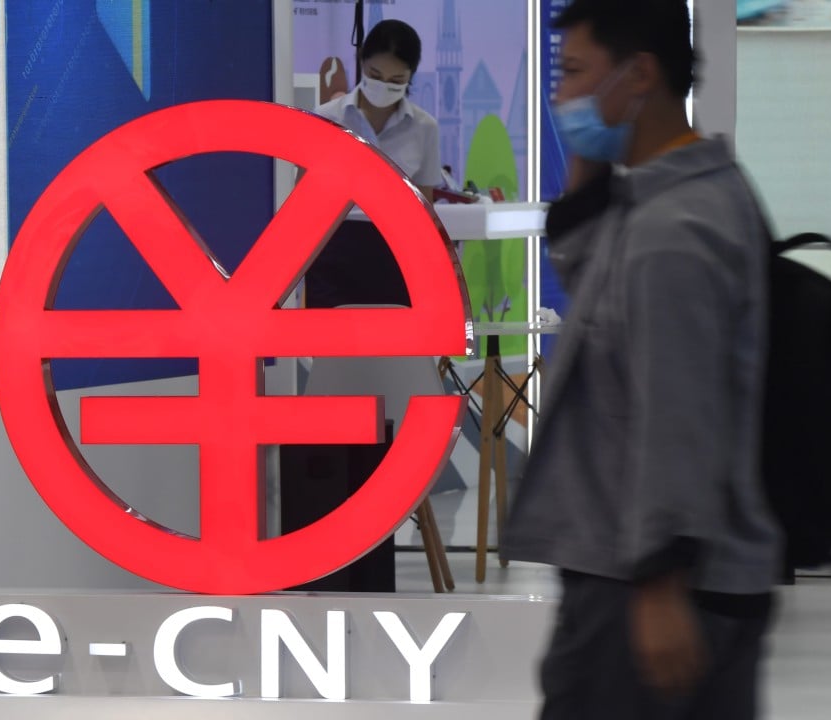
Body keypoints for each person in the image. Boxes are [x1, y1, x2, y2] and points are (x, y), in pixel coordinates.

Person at [502, 1, 781, 718]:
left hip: (644, 584)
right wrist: (588, 164)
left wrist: (659, 584)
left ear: (639, 75)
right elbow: (590, 276)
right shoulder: (681, 195)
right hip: (656, 571)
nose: (561, 97)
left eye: (574, 72)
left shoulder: (673, 231)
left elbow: (676, 413)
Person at [305, 19, 441, 309]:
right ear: (361, 62)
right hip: (334, 247)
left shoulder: (424, 127)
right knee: (333, 335)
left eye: (396, 81)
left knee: (395, 335)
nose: (383, 86)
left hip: (397, 253)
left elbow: (424, 206)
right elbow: (303, 197)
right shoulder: (327, 118)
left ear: (410, 77)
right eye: (375, 75)